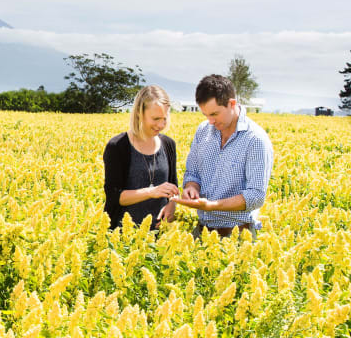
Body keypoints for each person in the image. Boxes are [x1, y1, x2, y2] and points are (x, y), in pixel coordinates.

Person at [171, 74, 273, 239]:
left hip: (238, 236)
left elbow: (255, 196)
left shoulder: (255, 140)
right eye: (206, 115)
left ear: (231, 104)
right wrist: (191, 188)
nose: (210, 121)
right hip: (202, 231)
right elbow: (192, 173)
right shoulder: (203, 131)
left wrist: (212, 206)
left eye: (215, 114)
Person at [103, 85, 179, 230]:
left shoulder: (168, 145)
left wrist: (172, 205)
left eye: (164, 118)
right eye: (155, 118)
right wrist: (151, 192)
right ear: (139, 112)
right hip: (121, 240)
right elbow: (114, 196)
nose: (161, 125)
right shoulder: (118, 146)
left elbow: (173, 187)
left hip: (158, 239)